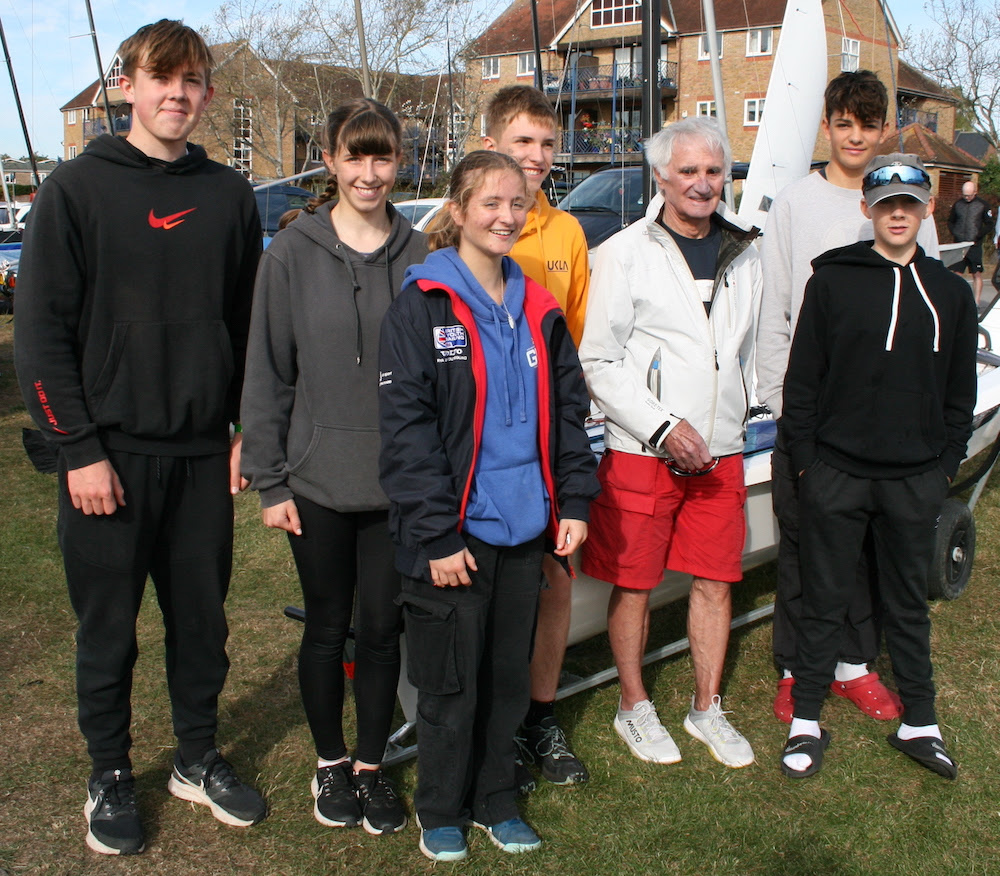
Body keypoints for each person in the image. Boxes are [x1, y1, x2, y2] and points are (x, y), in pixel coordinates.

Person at [14, 19, 266, 856]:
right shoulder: (76, 190)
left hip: (200, 453)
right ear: (126, 85)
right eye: (163, 79)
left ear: (207, 94)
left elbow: (243, 325)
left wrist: (241, 432)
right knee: (109, 627)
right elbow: (42, 331)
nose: (177, 95)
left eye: (193, 81)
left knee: (202, 623)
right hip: (109, 456)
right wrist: (78, 448)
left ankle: (197, 758)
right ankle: (111, 772)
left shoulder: (229, 195)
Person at [378, 150, 599, 862]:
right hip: (453, 538)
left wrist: (573, 500)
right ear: (458, 210)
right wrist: (438, 537)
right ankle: (440, 806)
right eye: (490, 203)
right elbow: (406, 434)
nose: (506, 216)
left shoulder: (538, 306)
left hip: (524, 529)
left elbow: (568, 410)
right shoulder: (422, 303)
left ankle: (496, 799)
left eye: (517, 204)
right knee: (449, 684)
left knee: (507, 678)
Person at [240, 99, 426, 835]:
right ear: (331, 160)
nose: (370, 173)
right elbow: (267, 372)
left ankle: (373, 768)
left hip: (397, 485)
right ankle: (330, 762)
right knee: (327, 626)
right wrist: (270, 479)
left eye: (382, 158)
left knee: (381, 629)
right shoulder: (291, 253)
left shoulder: (420, 255)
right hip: (314, 480)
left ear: (398, 163)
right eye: (356, 157)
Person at [778, 153, 977, 779]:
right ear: (867, 208)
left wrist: (944, 464)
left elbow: (960, 391)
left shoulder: (949, 291)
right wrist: (810, 461)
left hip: (915, 478)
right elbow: (802, 382)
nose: (898, 213)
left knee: (906, 605)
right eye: (886, 202)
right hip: (836, 471)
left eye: (910, 203)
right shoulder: (832, 280)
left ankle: (921, 721)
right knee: (824, 598)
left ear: (925, 209)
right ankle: (806, 721)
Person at [756, 70, 940, 725]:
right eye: (844, 123)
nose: (855, 135)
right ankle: (794, 667)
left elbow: (929, 318)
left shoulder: (901, 201)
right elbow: (776, 307)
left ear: (882, 128)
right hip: (811, 418)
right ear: (827, 127)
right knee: (806, 545)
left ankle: (855, 665)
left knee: (866, 549)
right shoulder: (796, 204)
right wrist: (786, 411)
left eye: (868, 123)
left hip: (884, 425)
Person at [579, 117, 759, 769]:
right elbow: (597, 359)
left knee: (715, 581)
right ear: (660, 176)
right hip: (643, 451)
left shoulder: (747, 250)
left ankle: (706, 708)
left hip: (724, 449)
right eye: (688, 171)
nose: (702, 183)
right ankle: (634, 706)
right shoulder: (623, 253)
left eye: (713, 171)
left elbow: (746, 352)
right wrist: (661, 426)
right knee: (636, 583)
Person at [482, 84, 591, 789]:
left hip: (546, 440)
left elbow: (574, 343)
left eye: (548, 144)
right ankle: (490, 721)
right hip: (479, 443)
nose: (537, 156)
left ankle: (539, 716)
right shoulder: (458, 224)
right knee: (490, 583)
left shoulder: (568, 234)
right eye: (523, 141)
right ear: (491, 142)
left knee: (553, 578)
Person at [948, 179, 993, 306]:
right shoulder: (958, 205)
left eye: (969, 195)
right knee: (956, 274)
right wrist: (954, 233)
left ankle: (976, 302)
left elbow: (989, 224)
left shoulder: (983, 205)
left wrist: (978, 235)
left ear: (975, 192)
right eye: (965, 195)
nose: (967, 198)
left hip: (974, 245)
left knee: (976, 274)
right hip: (959, 245)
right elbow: (951, 221)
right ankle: (956, 301)